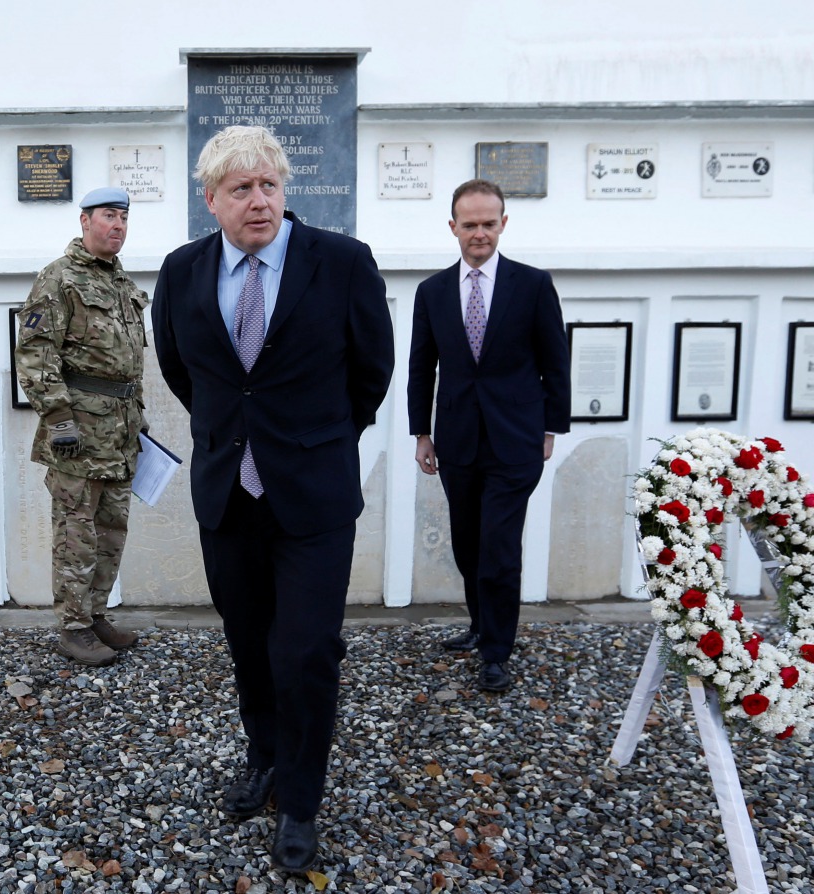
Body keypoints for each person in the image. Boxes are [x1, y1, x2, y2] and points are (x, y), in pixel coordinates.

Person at [152, 126, 394, 874]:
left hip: (312, 496)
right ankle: (263, 755)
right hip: (229, 494)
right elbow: (181, 370)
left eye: (268, 186)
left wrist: (310, 439)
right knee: (250, 643)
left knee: (308, 650)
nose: (258, 202)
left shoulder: (342, 264)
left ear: (284, 191)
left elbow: (371, 372)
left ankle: (300, 800)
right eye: (240, 189)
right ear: (211, 200)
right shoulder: (182, 271)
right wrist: (238, 434)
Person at [407, 178, 571, 693]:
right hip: (457, 440)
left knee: (499, 546)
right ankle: (481, 626)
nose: (480, 233)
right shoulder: (431, 292)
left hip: (516, 439)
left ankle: (498, 651)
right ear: (453, 227)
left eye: (489, 223)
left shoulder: (532, 285)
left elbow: (555, 362)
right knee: (468, 543)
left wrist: (551, 427)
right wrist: (421, 433)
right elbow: (421, 369)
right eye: (470, 224)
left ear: (503, 224)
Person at [14, 186, 148, 668]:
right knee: (77, 531)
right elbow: (34, 355)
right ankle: (72, 627)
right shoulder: (59, 279)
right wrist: (58, 419)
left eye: (124, 218)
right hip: (77, 434)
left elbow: (126, 365)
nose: (118, 225)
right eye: (109, 216)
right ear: (85, 220)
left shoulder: (120, 282)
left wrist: (139, 420)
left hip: (119, 430)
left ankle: (94, 615)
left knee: (112, 529)